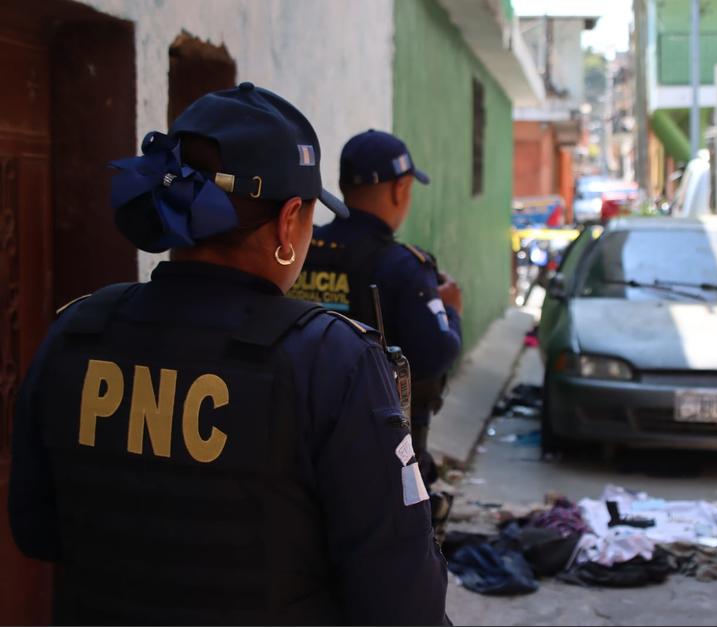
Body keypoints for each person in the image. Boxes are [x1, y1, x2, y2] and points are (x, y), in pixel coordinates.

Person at [8, 84, 447, 625]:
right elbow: (404, 600)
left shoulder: (76, 331)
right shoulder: (335, 361)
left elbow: (35, 529)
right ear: (289, 220)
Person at [290, 130, 462, 507]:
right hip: (378, 455)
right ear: (400, 189)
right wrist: (450, 310)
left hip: (293, 435)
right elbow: (436, 354)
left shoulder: (300, 247)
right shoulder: (404, 267)